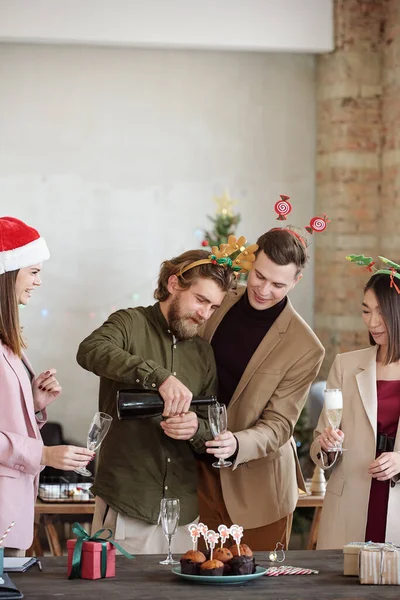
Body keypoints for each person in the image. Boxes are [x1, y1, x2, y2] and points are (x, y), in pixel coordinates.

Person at [76, 242, 254, 554]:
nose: (204, 314)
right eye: (200, 300)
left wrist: (194, 430)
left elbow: (209, 426)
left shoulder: (203, 353)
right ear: (173, 283)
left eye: (213, 307)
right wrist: (158, 377)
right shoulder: (129, 323)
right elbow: (90, 351)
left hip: (183, 512)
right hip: (128, 501)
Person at [197, 227, 325, 550]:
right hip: (198, 475)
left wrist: (237, 444)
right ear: (251, 261)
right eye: (259, 276)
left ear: (295, 282)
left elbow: (280, 425)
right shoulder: (220, 300)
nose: (264, 290)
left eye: (278, 284)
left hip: (259, 492)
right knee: (196, 576)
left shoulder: (306, 346)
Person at [0, 216, 94, 555]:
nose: (39, 282)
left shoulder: (8, 340)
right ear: (8, 274)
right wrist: (44, 454)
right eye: (34, 272)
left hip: (10, 511)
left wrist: (33, 401)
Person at [310, 256, 400, 548]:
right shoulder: (345, 365)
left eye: (381, 312)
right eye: (365, 311)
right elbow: (321, 442)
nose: (372, 322)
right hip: (349, 507)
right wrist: (326, 446)